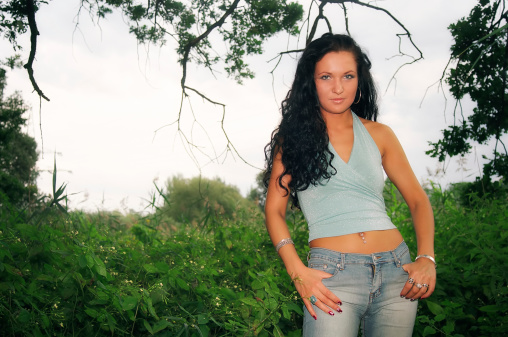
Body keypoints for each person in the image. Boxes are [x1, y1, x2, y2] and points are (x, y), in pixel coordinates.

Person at [263, 33, 436, 337]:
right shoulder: (291, 141)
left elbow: (419, 201)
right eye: (326, 76)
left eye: (348, 76)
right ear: (310, 82)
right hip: (331, 275)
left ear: (360, 80)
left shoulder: (381, 134)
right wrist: (297, 271)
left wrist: (427, 257)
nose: (338, 87)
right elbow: (274, 211)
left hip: (397, 271)